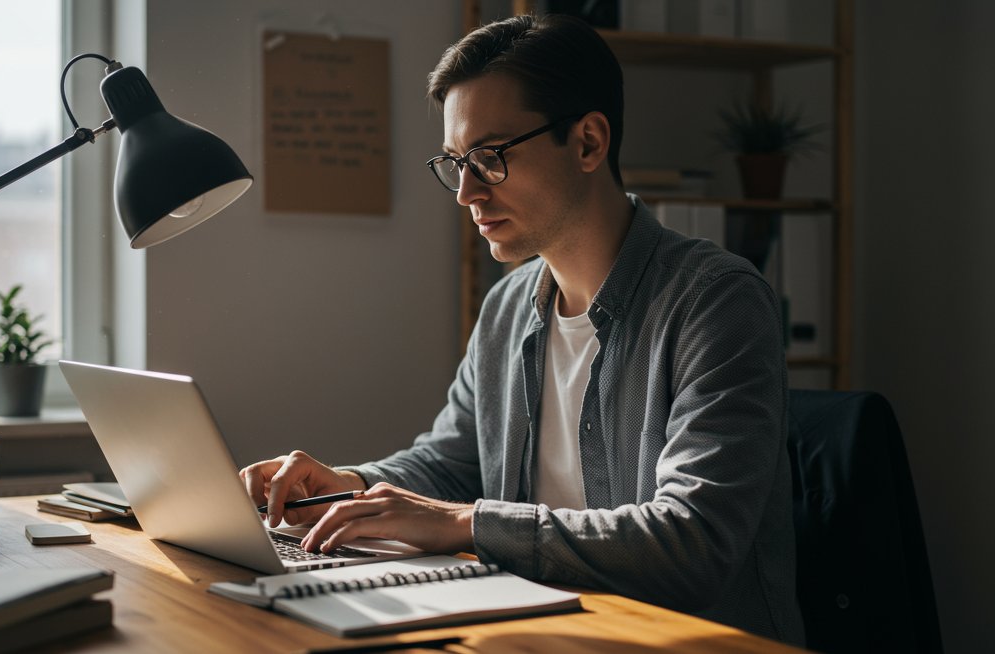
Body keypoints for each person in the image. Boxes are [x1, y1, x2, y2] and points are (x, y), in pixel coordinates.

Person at [240, 14, 804, 645]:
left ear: (588, 143)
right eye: (456, 162)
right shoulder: (508, 307)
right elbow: (451, 463)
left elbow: (693, 542)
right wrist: (349, 486)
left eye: (489, 158)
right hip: (548, 630)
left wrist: (465, 523)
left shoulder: (717, 302)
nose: (466, 192)